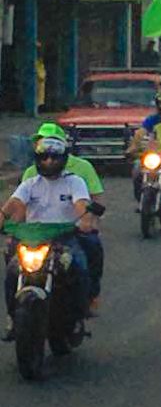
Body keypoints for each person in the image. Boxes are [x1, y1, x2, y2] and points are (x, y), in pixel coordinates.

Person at [2, 137, 96, 338]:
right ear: (37, 159)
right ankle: (13, 318)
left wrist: (85, 218)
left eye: (54, 158)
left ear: (63, 159)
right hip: (32, 239)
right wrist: (2, 217)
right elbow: (12, 204)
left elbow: (82, 204)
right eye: (44, 157)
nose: (49, 162)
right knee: (11, 272)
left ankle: (80, 314)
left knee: (80, 264)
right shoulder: (30, 184)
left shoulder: (74, 182)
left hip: (64, 239)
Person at [20, 123, 106, 309]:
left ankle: (88, 298)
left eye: (54, 150)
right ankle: (14, 314)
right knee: (12, 263)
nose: (49, 157)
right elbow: (18, 205)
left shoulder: (80, 171)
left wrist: (88, 221)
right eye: (42, 145)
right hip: (36, 234)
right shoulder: (30, 173)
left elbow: (93, 198)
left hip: (69, 231)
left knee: (91, 249)